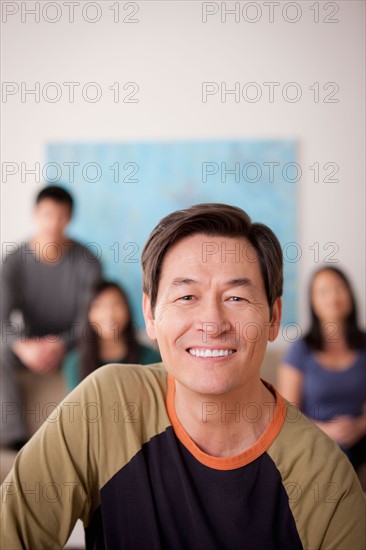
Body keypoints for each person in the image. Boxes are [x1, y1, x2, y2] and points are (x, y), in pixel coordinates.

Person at [1, 204, 364, 549]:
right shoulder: (104, 405)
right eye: (187, 296)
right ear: (150, 314)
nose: (212, 323)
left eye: (236, 298)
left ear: (273, 317)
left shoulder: (324, 474)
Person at [0, 185, 103, 449]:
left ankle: (82, 436)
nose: (53, 223)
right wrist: (22, 346)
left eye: (61, 216)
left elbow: (89, 320)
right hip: (29, 341)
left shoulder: (88, 262)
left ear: (70, 218)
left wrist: (61, 344)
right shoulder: (13, 262)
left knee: (97, 344)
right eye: (47, 215)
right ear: (35, 214)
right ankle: (13, 437)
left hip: (73, 341)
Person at [278, 266, 366, 471]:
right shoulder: (299, 351)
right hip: (315, 436)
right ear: (313, 301)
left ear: (350, 294)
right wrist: (327, 431)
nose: (333, 296)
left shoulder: (364, 345)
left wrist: (359, 426)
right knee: (336, 457)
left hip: (359, 436)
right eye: (324, 291)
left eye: (339, 288)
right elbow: (288, 414)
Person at [63, 280, 161, 390]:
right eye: (98, 306)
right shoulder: (75, 363)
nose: (109, 314)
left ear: (127, 310)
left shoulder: (151, 357)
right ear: (87, 313)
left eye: (116, 305)